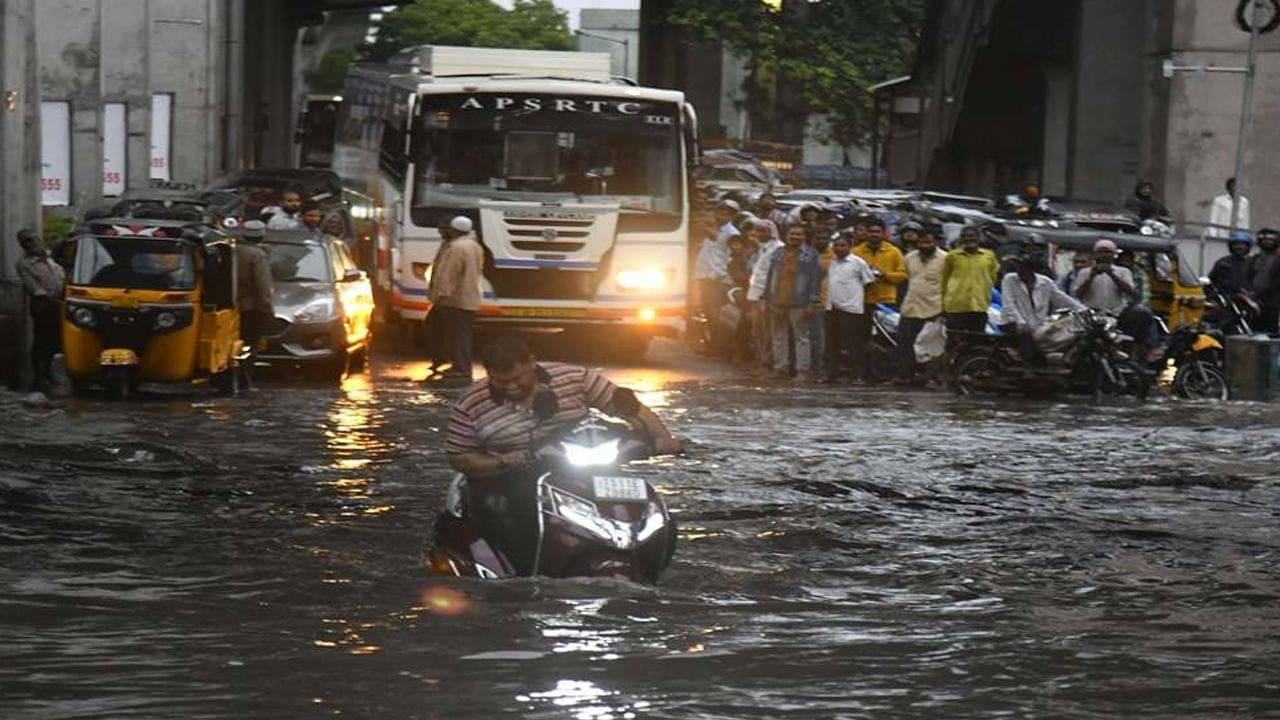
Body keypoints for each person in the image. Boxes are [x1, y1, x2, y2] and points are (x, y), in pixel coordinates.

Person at [445, 335, 681, 574]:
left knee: (646, 504)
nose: (511, 387)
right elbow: (459, 457)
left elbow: (629, 407)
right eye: (501, 381)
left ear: (532, 364)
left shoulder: (574, 378)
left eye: (518, 378)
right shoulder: (470, 405)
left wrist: (663, 440)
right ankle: (527, 575)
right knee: (514, 521)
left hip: (584, 465)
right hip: (516, 475)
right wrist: (507, 461)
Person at [1000, 253, 1085, 365]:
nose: (1020, 270)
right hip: (1013, 323)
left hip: (1037, 325)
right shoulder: (1009, 280)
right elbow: (1009, 305)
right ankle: (1028, 366)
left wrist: (1084, 310)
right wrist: (1020, 322)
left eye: (1024, 267)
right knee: (1025, 335)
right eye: (1019, 267)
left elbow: (1062, 299)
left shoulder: (1045, 282)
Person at [428, 215, 484, 381]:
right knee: (444, 329)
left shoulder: (457, 248)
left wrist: (441, 294)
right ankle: (445, 360)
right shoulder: (473, 245)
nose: (443, 232)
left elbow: (449, 273)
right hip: (466, 298)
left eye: (447, 229)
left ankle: (461, 368)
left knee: (457, 335)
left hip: (454, 300)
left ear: (455, 230)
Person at [764, 226, 822, 381]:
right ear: (786, 235)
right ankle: (780, 368)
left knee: (801, 337)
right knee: (778, 335)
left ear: (804, 237)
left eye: (799, 234)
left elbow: (815, 280)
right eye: (792, 233)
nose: (795, 237)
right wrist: (767, 298)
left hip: (800, 301)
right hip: (777, 300)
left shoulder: (811, 254)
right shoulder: (778, 252)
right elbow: (770, 276)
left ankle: (802, 371)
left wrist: (812, 302)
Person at [822, 233, 876, 383]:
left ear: (850, 246)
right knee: (832, 343)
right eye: (836, 245)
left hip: (852, 309)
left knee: (854, 343)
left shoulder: (858, 263)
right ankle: (832, 373)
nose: (839, 248)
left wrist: (857, 299)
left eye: (842, 245)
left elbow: (869, 283)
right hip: (832, 307)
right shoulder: (832, 262)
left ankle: (858, 374)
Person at [15, 230, 65, 391]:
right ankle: (39, 375)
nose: (31, 244)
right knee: (42, 340)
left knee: (54, 341)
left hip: (58, 302)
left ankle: (47, 372)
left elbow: (61, 277)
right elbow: (35, 288)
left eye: (33, 240)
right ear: (23, 246)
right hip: (43, 305)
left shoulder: (51, 258)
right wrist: (54, 301)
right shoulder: (24, 264)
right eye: (26, 242)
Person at [896, 224, 946, 383]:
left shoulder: (945, 259)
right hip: (911, 307)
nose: (925, 246)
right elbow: (908, 279)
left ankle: (929, 377)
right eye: (922, 243)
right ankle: (906, 376)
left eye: (929, 243)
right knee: (905, 343)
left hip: (933, 309)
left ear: (935, 243)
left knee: (930, 347)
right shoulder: (910, 257)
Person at [941, 225, 1000, 338]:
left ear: (979, 238)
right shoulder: (952, 256)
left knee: (976, 342)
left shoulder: (989, 256)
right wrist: (943, 305)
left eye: (972, 236)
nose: (969, 239)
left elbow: (993, 277)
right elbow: (945, 280)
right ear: (961, 239)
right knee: (954, 342)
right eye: (965, 236)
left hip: (979, 306)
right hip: (956, 307)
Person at [235, 221, 275, 382]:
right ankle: (244, 380)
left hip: (229, 306)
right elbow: (263, 286)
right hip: (250, 309)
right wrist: (268, 310)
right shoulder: (257, 255)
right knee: (249, 345)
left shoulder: (232, 250)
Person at [746, 219, 785, 369]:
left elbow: (774, 276)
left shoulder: (778, 248)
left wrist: (765, 297)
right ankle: (761, 360)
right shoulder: (762, 248)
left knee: (768, 331)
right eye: (756, 230)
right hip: (755, 294)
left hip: (766, 297)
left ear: (771, 232)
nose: (757, 234)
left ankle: (768, 362)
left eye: (761, 231)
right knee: (758, 330)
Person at [1073, 239, 1135, 314]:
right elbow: (1078, 294)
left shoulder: (1123, 271)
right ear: (1095, 254)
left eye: (1107, 252)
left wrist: (1111, 274)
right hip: (1091, 313)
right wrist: (1091, 276)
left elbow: (1130, 291)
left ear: (1114, 254)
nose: (1103, 254)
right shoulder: (1084, 272)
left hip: (1116, 312)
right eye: (1100, 252)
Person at [1247, 228, 1280, 334]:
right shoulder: (1255, 259)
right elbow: (1248, 277)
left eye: (1270, 239)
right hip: (1256, 302)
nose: (1267, 242)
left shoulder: (1278, 258)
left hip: (1274, 303)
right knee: (1255, 331)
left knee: (1272, 332)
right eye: (1264, 239)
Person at [1209, 230, 1253, 297]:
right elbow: (1211, 281)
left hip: (1248, 300)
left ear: (1248, 247)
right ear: (1231, 246)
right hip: (1226, 300)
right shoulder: (1222, 263)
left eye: (1243, 244)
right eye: (1236, 244)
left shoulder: (1253, 262)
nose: (1239, 247)